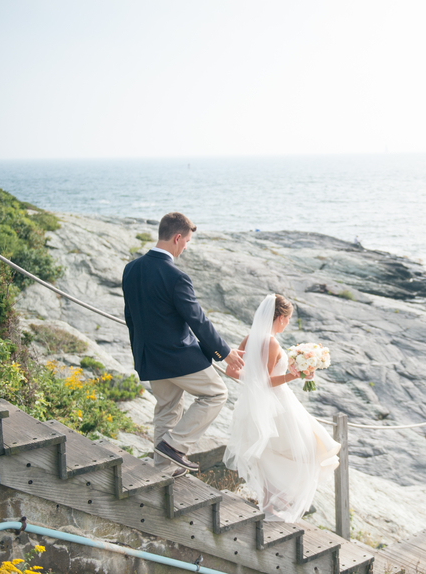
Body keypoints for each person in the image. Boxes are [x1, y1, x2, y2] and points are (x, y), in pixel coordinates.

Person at [122, 212, 244, 477]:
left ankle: (163, 472)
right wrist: (225, 353)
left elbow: (130, 318)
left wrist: (140, 356)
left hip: (149, 356)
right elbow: (197, 320)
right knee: (216, 394)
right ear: (177, 238)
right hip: (177, 357)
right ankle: (175, 445)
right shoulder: (176, 277)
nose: (186, 247)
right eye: (187, 241)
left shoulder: (131, 269)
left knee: (167, 410)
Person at [224, 294, 340, 522]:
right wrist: (293, 376)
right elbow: (267, 381)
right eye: (287, 319)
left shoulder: (249, 339)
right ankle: (280, 499)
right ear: (279, 317)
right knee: (309, 450)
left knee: (269, 453)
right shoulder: (272, 343)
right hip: (277, 405)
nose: (287, 323)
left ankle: (271, 504)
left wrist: (253, 381)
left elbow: (231, 371)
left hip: (255, 404)